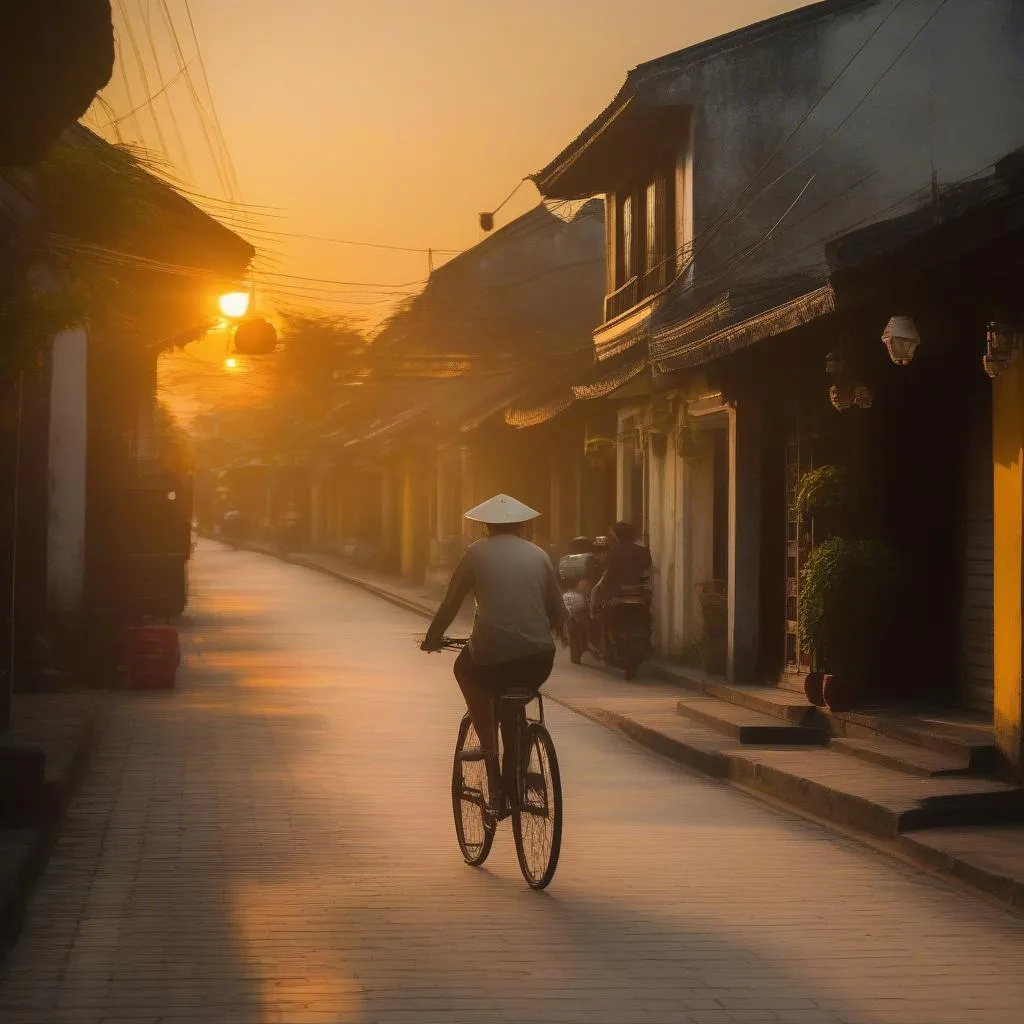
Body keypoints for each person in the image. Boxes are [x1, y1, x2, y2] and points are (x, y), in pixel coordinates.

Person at [422, 493, 566, 816]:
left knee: (465, 670)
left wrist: (432, 637)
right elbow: (560, 612)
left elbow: (451, 603)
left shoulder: (475, 554)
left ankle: (493, 770)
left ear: (486, 527)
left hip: (491, 657)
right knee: (514, 699)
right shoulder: (540, 555)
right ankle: (517, 763)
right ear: (522, 526)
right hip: (538, 659)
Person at [590, 521, 652, 653]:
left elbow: (605, 571)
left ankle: (605, 645)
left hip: (616, 593)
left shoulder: (612, 552)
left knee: (600, 610)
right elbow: (647, 568)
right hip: (638, 594)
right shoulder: (643, 551)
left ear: (617, 536)